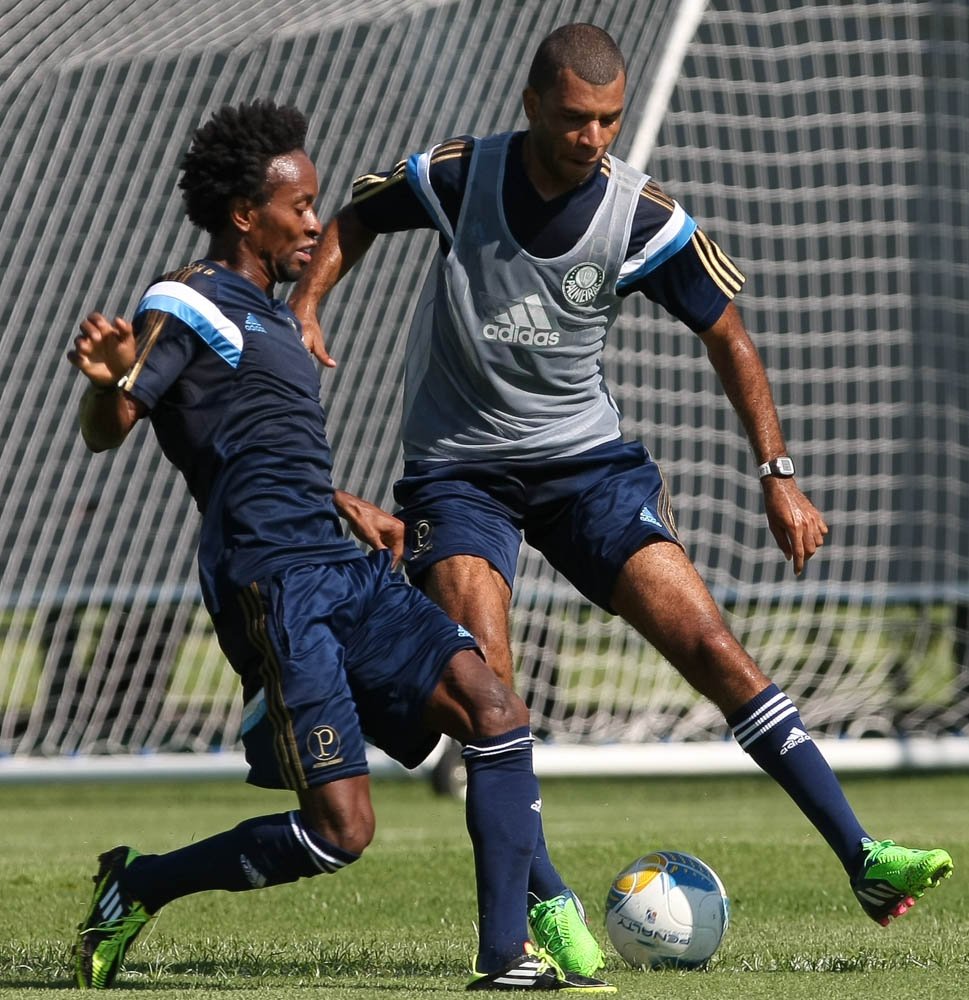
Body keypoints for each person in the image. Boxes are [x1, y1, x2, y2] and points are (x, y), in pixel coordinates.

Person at [288, 20, 954, 960]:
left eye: (607, 120)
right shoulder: (459, 174)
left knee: (709, 643)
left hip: (588, 469)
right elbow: (355, 216)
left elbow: (728, 334)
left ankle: (862, 854)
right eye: (573, 119)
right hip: (459, 472)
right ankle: (548, 901)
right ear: (531, 106)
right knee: (493, 694)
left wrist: (779, 478)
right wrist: (310, 302)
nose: (592, 138)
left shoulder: (642, 215)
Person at [65, 99, 616, 993]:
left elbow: (249, 446)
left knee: (495, 711)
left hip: (345, 567)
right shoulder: (185, 298)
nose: (315, 221)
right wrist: (107, 380)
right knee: (340, 834)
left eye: (318, 201)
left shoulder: (276, 317)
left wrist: (342, 499)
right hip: (275, 587)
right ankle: (139, 884)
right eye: (299, 205)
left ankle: (507, 956)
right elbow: (114, 421)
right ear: (246, 214)